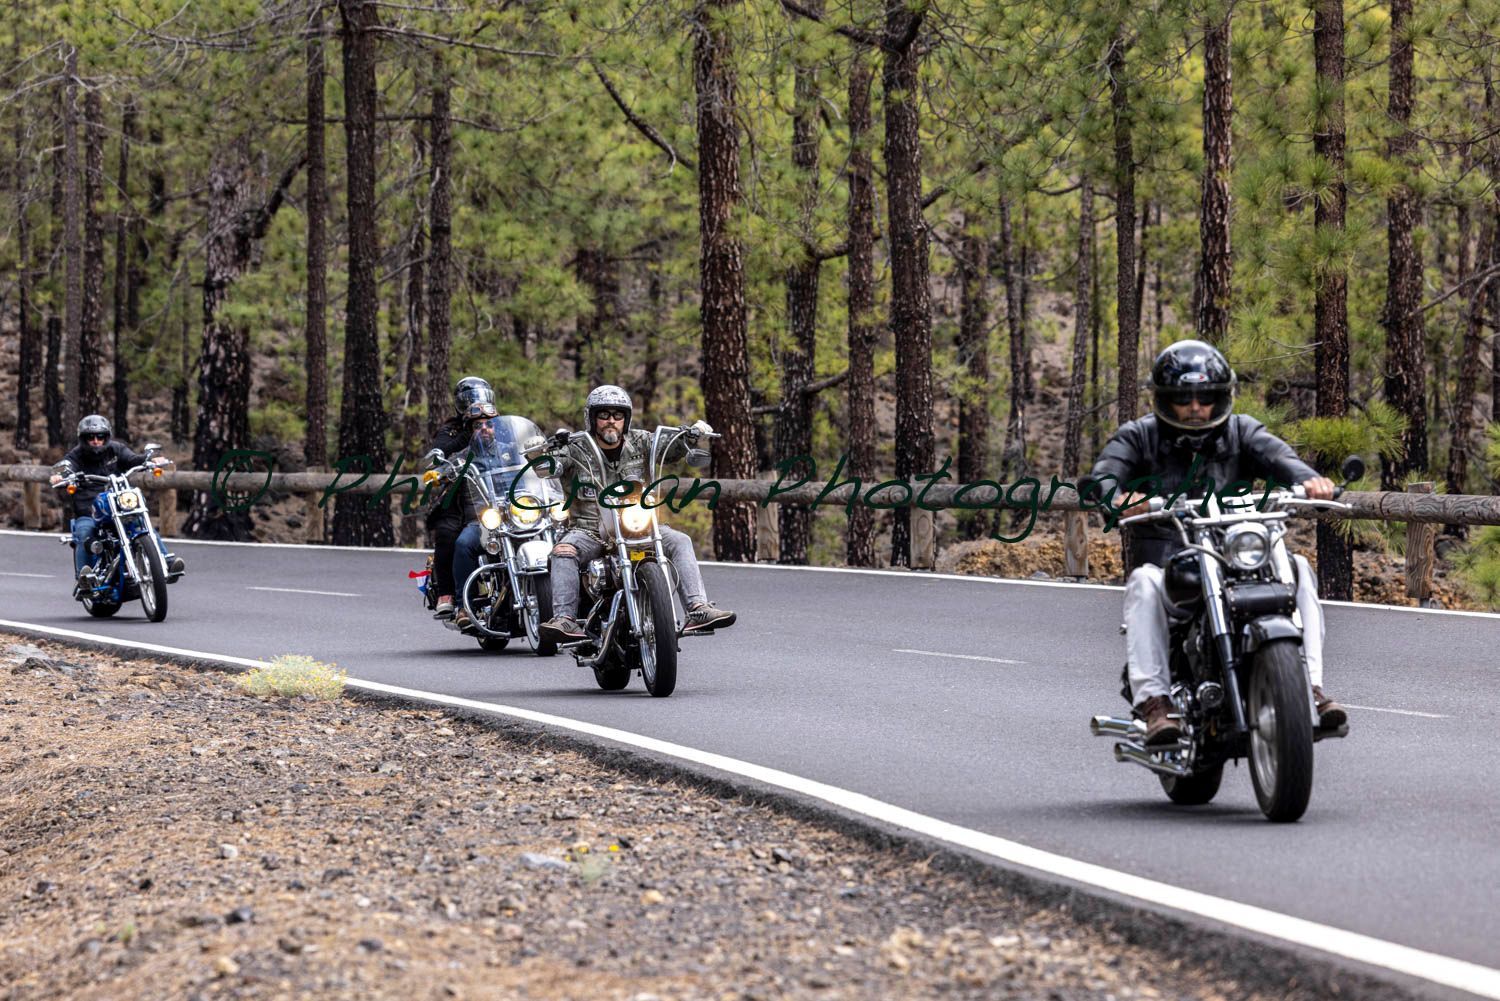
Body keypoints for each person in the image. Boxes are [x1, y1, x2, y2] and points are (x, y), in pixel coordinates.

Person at [1081, 341, 1347, 746]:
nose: (1195, 407)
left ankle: (1308, 686)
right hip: (1174, 568)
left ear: (1220, 397)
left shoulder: (1241, 431)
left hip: (1239, 559)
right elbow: (1106, 473)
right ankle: (1155, 701)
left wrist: (1311, 481)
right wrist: (1114, 498)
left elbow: (1282, 459)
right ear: (1165, 399)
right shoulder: (1139, 436)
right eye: (1183, 397)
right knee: (1143, 583)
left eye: (1205, 397)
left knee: (1298, 569)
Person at [538, 384, 736, 643]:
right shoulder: (576, 446)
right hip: (589, 529)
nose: (611, 421)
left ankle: (698, 608)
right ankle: (565, 618)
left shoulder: (641, 441)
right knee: (562, 551)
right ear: (592, 418)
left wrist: (690, 435)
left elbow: (669, 448)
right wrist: (546, 455)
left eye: (618, 415)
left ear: (626, 419)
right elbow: (550, 466)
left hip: (640, 523)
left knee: (679, 540)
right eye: (604, 415)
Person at [50, 414, 185, 585]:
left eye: (100, 436)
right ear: (83, 438)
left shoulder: (116, 449)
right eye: (91, 437)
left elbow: (133, 459)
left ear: (106, 437)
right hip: (89, 509)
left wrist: (149, 460)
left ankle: (165, 560)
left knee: (140, 524)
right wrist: (61, 476)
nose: (96, 440)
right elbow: (66, 466)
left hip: (118, 503)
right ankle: (85, 578)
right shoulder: (75, 456)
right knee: (85, 533)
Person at [425, 376, 495, 618]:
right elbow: (441, 450)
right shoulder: (454, 429)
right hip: (459, 492)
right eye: (469, 399)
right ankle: (452, 595)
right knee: (450, 534)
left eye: (480, 396)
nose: (484, 427)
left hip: (502, 504)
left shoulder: (497, 425)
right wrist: (439, 463)